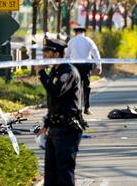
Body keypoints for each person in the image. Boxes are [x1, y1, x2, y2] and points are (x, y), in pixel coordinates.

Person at [36, 39, 86, 186]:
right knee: (50, 172)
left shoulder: (68, 71)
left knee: (64, 171)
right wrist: (46, 124)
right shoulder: (56, 71)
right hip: (55, 128)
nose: (44, 55)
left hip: (67, 128)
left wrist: (41, 73)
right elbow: (54, 103)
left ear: (57, 53)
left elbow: (56, 92)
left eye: (47, 52)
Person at [66, 26, 102, 115]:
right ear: (83, 32)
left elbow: (66, 55)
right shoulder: (88, 40)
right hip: (86, 66)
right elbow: (95, 53)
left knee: (74, 87)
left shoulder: (71, 41)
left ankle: (75, 108)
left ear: (75, 32)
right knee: (86, 86)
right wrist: (99, 65)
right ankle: (87, 108)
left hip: (74, 66)